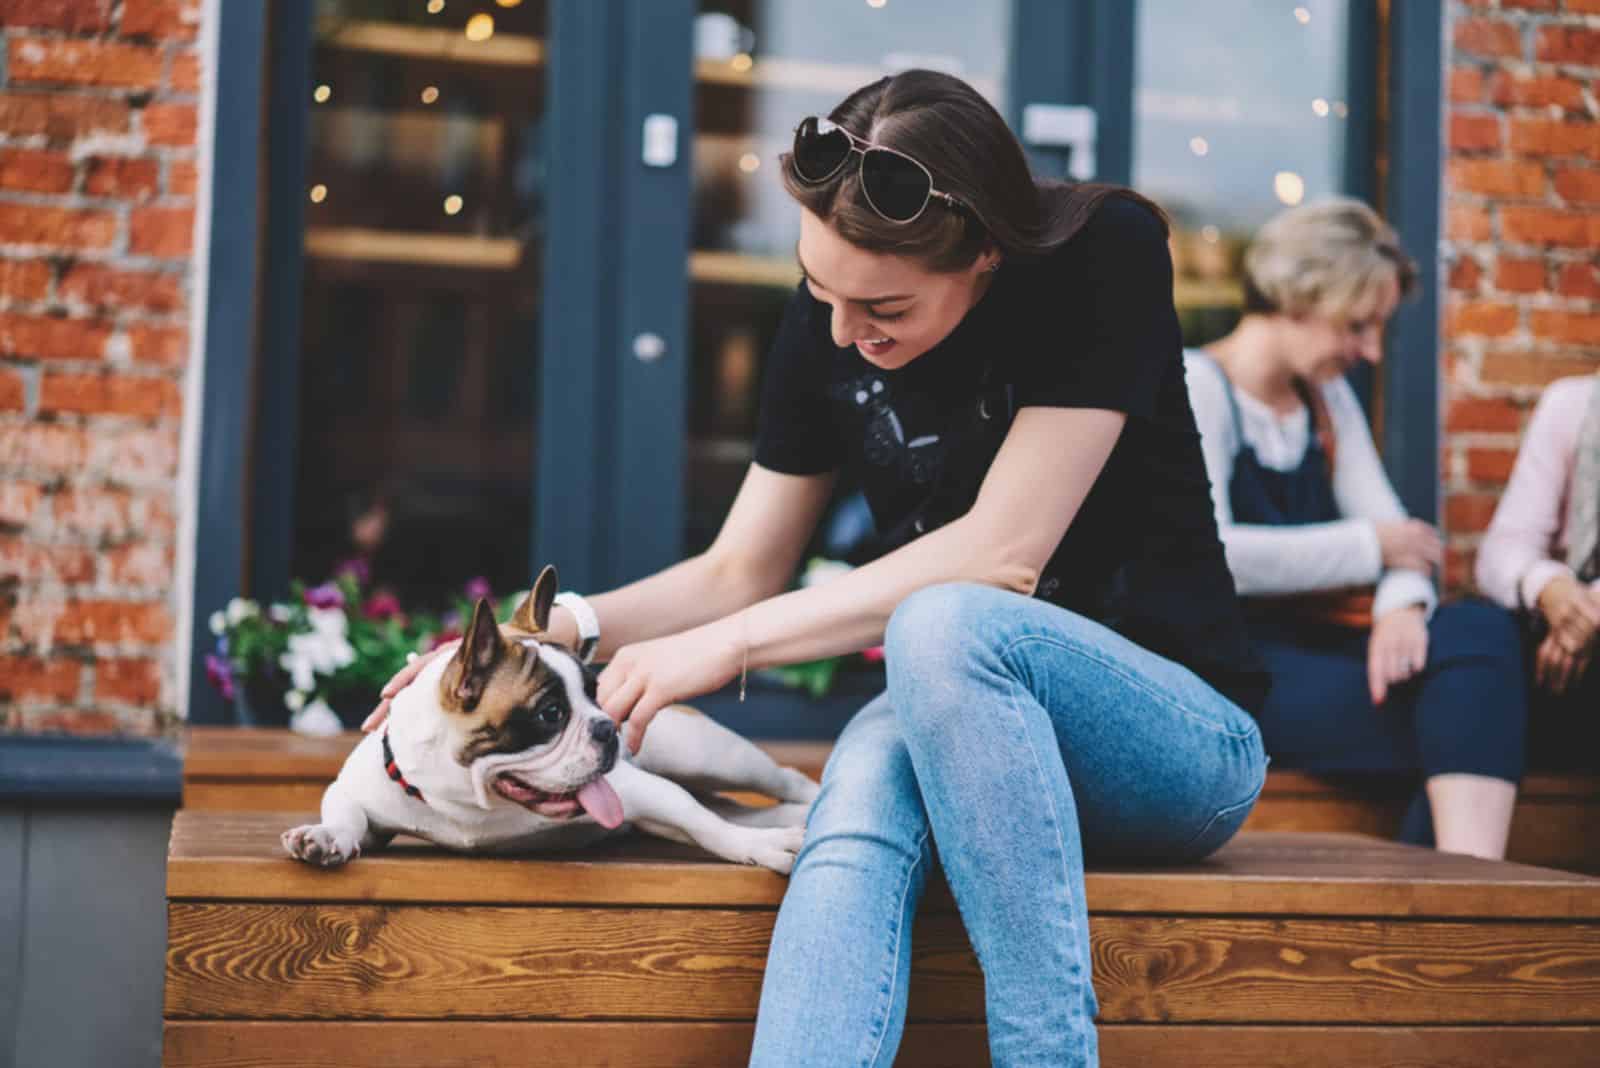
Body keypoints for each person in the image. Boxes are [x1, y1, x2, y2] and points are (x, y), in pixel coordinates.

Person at [371, 70, 1268, 1068]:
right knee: (855, 805)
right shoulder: (830, 313)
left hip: (1177, 746)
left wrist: (724, 649)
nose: (841, 332)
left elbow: (999, 557)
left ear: (982, 253)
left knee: (940, 623)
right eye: (818, 291)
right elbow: (739, 568)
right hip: (953, 725)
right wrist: (560, 632)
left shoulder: (1100, 254)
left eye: (881, 304)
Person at [1185, 197, 1527, 859]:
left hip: (1322, 658)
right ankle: (1467, 900)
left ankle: (1472, 884)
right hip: (1235, 678)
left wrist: (1401, 606)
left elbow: (1404, 540)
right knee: (1463, 718)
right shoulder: (1200, 382)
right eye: (1357, 326)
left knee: (1481, 630)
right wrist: (1370, 548)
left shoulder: (1325, 398)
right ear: (1301, 297)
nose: (1369, 350)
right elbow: (1211, 554)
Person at [1476, 372, 1600, 764]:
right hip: (1566, 648)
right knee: (1468, 630)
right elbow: (1503, 549)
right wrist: (1552, 591)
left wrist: (1588, 611)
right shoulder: (1572, 404)